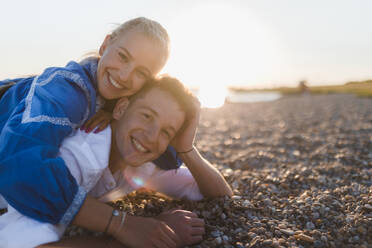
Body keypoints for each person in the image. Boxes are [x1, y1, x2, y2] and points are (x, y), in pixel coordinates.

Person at [0, 76, 233, 248]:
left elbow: (218, 193)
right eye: (146, 116)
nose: (152, 136)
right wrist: (135, 234)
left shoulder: (143, 163)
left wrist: (186, 149)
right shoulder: (78, 156)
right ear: (121, 108)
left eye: (166, 132)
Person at [0, 17, 182, 229]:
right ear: (105, 45)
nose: (124, 75)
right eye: (123, 56)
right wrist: (118, 224)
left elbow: (169, 158)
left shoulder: (117, 103)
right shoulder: (67, 90)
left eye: (141, 73)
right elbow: (21, 164)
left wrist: (189, 115)